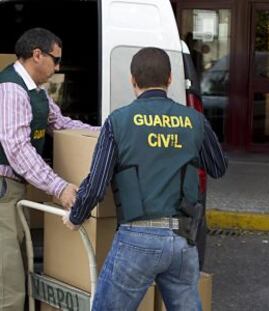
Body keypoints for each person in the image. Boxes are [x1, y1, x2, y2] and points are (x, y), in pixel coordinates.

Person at [62, 47, 227, 310]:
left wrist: (75, 215)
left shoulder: (118, 121)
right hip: (183, 240)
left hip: (137, 238)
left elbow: (96, 185)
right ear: (170, 79)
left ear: (132, 80)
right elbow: (218, 167)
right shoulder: (195, 120)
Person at [0, 27, 98, 310]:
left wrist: (104, 132)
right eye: (56, 60)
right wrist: (59, 187)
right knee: (10, 287)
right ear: (37, 55)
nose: (58, 67)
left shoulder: (37, 92)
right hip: (4, 193)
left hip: (14, 191)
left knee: (17, 271)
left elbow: (63, 125)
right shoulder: (11, 90)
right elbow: (17, 148)